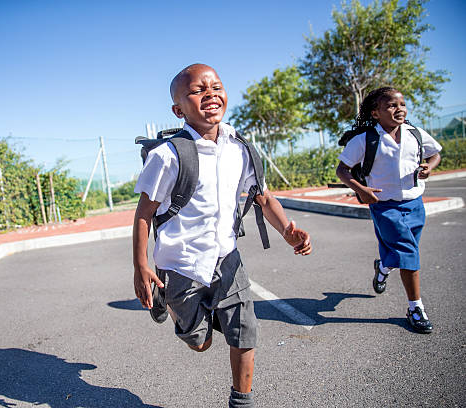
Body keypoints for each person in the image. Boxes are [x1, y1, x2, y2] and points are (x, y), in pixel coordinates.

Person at [132, 63, 312, 407]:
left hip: (227, 258)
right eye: (197, 91)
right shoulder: (167, 157)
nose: (210, 95)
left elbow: (262, 195)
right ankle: (165, 299)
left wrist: (288, 230)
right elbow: (144, 214)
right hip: (180, 264)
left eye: (216, 87)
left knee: (245, 333)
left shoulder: (239, 148)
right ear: (178, 109)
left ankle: (240, 401)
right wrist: (141, 267)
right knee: (200, 342)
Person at [336, 86, 442, 334]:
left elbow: (435, 153)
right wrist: (361, 189)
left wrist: (430, 166)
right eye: (391, 106)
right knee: (408, 253)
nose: (399, 109)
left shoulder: (414, 133)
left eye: (402, 104)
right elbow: (342, 170)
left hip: (415, 202)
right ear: (375, 113)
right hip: (384, 206)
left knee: (404, 251)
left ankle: (382, 268)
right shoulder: (365, 140)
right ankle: (415, 307)